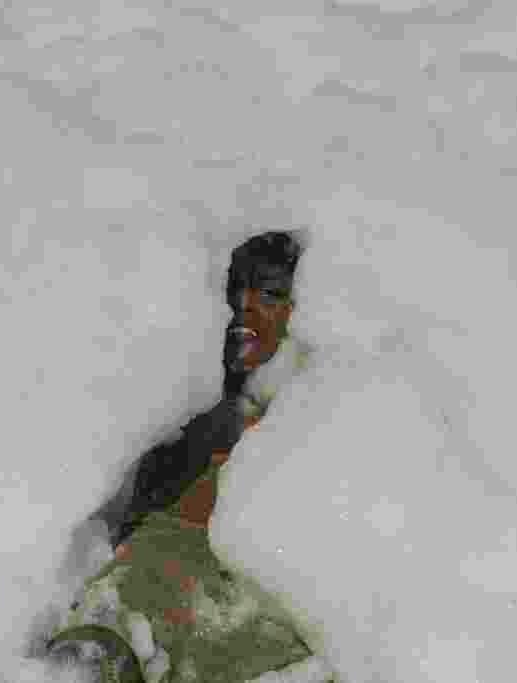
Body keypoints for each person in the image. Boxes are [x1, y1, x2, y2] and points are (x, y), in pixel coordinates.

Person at [43, 232, 332, 683]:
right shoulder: (173, 409)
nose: (246, 309)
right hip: (146, 604)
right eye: (235, 292)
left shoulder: (327, 412)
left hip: (259, 613)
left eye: (271, 294)